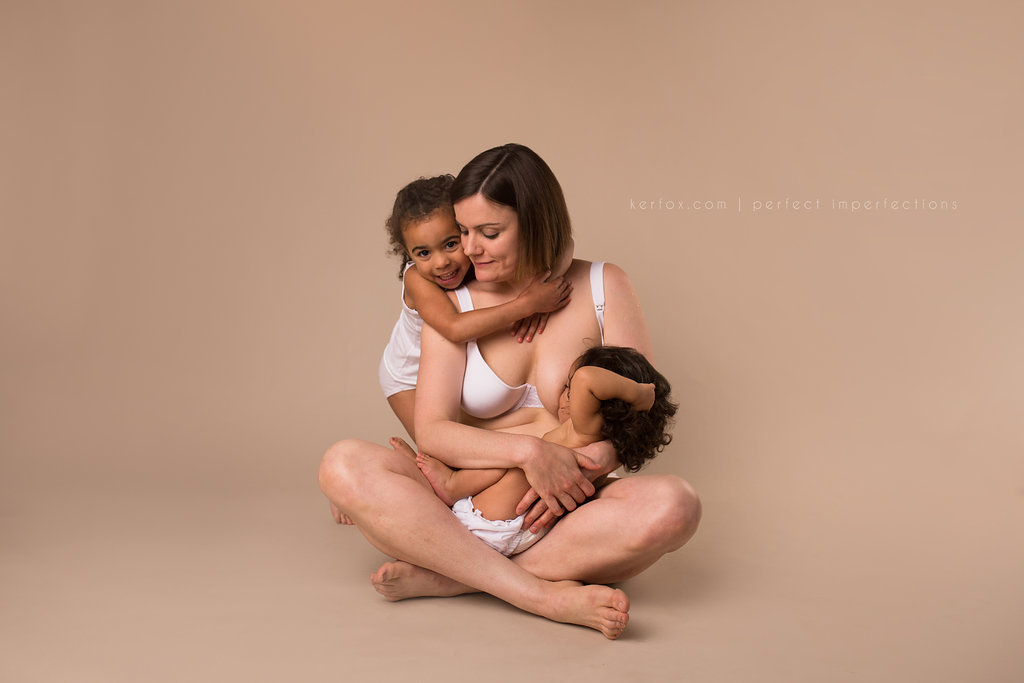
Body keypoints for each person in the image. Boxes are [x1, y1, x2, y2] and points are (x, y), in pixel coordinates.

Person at [319, 143, 701, 639]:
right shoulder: (454, 302)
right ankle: (537, 593)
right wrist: (530, 452)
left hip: (562, 506)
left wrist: (587, 465)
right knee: (342, 464)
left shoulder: (605, 286)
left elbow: (643, 409)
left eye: (490, 233)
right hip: (465, 503)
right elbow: (432, 432)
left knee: (677, 505)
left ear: (536, 223)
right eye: (463, 232)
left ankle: (453, 574)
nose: (470, 250)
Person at [414, 345, 677, 557]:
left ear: (598, 402)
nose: (564, 393)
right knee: (522, 453)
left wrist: (637, 393)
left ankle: (452, 485)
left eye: (569, 387)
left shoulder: (583, 431)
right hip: (523, 531)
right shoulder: (587, 444)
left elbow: (586, 378)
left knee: (515, 456)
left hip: (488, 522)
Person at [377, 174, 573, 440]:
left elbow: (566, 244)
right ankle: (414, 463)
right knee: (437, 448)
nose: (441, 262)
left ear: (466, 231)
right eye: (423, 253)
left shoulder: (475, 258)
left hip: (448, 365)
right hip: (407, 375)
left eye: (451, 244)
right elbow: (455, 328)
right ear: (407, 251)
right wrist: (528, 304)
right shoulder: (416, 279)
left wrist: (550, 278)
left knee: (467, 439)